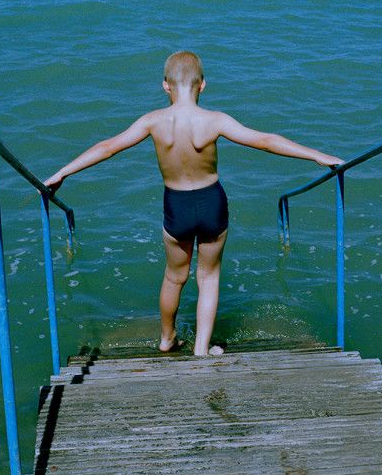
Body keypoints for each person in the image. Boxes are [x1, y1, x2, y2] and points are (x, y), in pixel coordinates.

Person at [43, 51, 342, 357]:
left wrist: (63, 171)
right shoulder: (215, 121)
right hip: (212, 202)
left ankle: (167, 339)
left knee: (175, 277)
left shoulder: (153, 122)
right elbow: (265, 140)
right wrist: (317, 155)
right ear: (203, 85)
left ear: (165, 85)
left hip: (177, 205)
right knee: (209, 277)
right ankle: (201, 349)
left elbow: (107, 148)